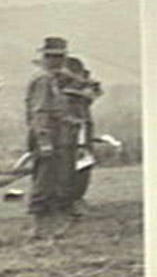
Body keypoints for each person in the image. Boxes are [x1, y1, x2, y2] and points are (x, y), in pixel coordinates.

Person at [26, 36, 75, 240]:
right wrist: (45, 141)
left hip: (56, 136)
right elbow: (39, 112)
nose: (60, 61)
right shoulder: (43, 80)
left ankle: (48, 228)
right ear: (49, 58)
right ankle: (38, 229)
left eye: (61, 57)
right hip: (46, 136)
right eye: (56, 57)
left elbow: (54, 109)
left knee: (54, 181)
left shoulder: (51, 79)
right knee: (44, 182)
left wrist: (69, 120)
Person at [59, 56, 102, 216]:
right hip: (67, 131)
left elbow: (95, 92)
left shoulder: (81, 93)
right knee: (68, 167)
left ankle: (76, 199)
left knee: (83, 165)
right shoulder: (59, 90)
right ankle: (68, 202)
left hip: (82, 128)